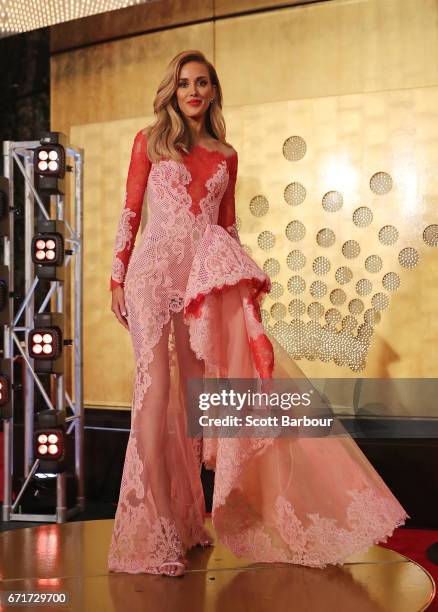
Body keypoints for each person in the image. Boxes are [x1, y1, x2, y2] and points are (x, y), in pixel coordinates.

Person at [108, 50, 409, 578]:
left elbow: (228, 229)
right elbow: (131, 212)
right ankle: (155, 532)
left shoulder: (226, 155)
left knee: (199, 407)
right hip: (152, 279)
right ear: (172, 92)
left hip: (201, 285)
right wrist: (117, 276)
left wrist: (242, 291)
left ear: (214, 91)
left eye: (202, 83)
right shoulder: (149, 142)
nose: (193, 92)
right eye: (183, 84)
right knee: (154, 396)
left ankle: (187, 521)